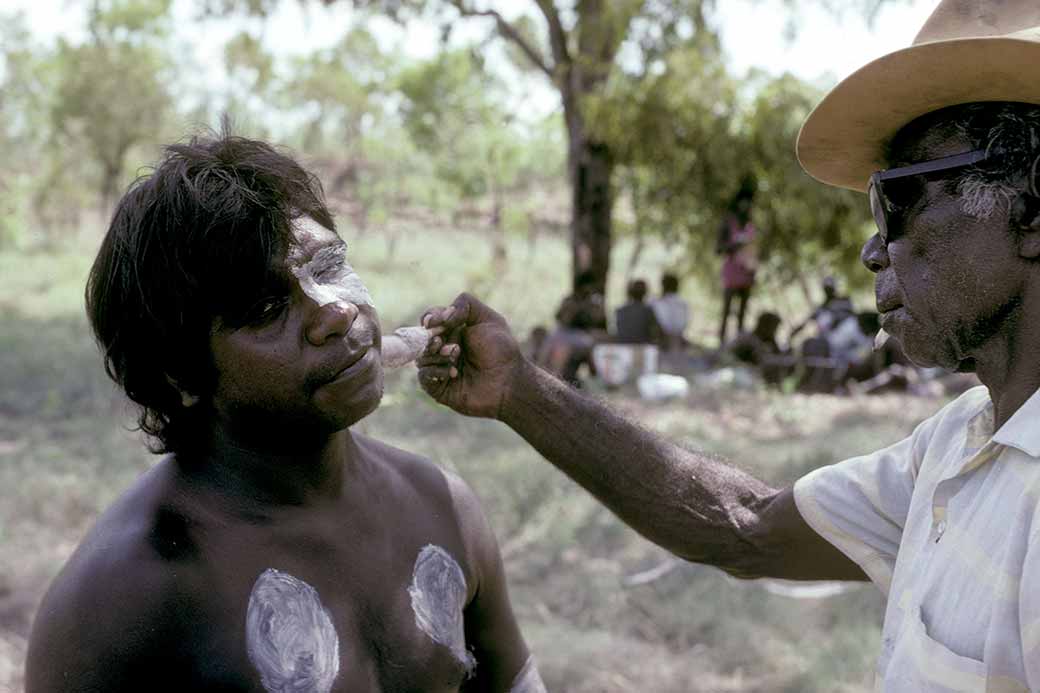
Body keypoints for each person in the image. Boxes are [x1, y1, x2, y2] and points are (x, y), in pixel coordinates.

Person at [416, 2, 1040, 688]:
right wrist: (519, 389)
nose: (872, 248)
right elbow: (743, 524)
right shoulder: (956, 444)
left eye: (901, 197)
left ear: (1031, 209)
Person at [24, 132, 544, 693]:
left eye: (330, 266)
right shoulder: (125, 594)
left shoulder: (442, 507)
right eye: (269, 308)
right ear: (180, 375)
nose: (336, 313)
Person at [535, 271, 607, 385]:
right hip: (564, 332)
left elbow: (597, 320)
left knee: (589, 344)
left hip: (579, 334)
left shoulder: (593, 302)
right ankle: (541, 375)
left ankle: (596, 378)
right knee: (549, 345)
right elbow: (560, 317)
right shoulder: (570, 300)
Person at [716, 178, 760, 346]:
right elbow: (719, 248)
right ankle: (721, 342)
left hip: (747, 273)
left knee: (742, 312)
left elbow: (754, 249)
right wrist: (735, 245)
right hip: (731, 273)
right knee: (727, 310)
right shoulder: (728, 223)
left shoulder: (750, 225)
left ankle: (739, 345)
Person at [613, 279, 662, 345]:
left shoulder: (620, 310)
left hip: (623, 345)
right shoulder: (647, 311)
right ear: (645, 292)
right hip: (641, 346)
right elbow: (656, 332)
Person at [650, 272, 690, 353]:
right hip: (678, 340)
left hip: (661, 340)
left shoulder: (656, 302)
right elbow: (684, 324)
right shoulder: (684, 303)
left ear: (663, 286)